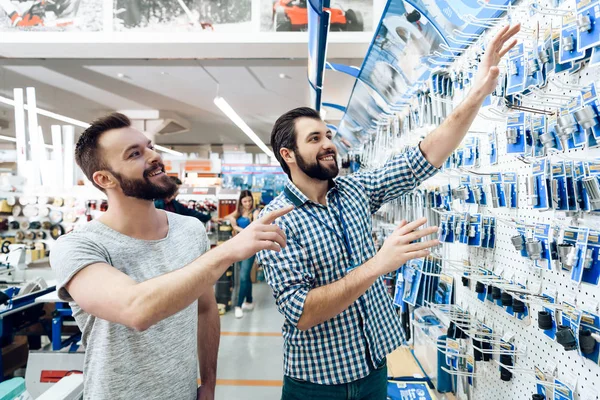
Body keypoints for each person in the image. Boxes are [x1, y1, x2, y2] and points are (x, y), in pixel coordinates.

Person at [256, 24, 520, 400]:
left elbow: (424, 155)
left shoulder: (355, 190)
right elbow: (302, 312)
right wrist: (380, 264)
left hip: (373, 369)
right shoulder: (275, 220)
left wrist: (477, 92)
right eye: (314, 139)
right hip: (317, 384)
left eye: (328, 135)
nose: (329, 144)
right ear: (288, 155)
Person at [49, 113, 292, 400]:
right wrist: (226, 252)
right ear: (104, 178)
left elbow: (205, 309)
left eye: (149, 146)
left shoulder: (189, 230)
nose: (154, 156)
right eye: (135, 154)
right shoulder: (78, 246)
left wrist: (209, 383)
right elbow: (136, 310)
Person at [225, 190, 260, 319]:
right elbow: (227, 217)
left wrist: (237, 228)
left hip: (250, 247)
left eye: (250, 201)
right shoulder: (239, 212)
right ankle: (249, 301)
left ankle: (238, 305)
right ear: (241, 202)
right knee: (244, 276)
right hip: (238, 247)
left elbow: (254, 229)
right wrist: (232, 220)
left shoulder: (255, 212)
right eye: (245, 201)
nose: (248, 204)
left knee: (244, 276)